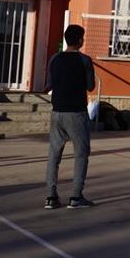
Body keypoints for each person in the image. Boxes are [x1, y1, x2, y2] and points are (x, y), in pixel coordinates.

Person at [44, 25, 96, 210]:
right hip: (76, 113)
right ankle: (76, 196)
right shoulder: (84, 60)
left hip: (57, 112)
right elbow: (91, 87)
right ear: (80, 40)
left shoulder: (55, 59)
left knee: (54, 154)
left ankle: (51, 196)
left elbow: (49, 84)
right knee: (81, 154)